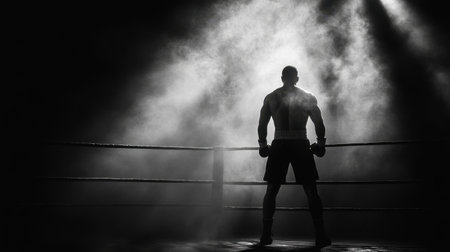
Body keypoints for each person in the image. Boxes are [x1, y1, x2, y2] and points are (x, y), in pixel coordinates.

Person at [257, 66, 331, 248]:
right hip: (300, 144)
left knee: (272, 190)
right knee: (311, 190)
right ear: (296, 78)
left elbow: (262, 124)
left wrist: (262, 145)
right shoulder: (307, 97)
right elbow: (319, 123)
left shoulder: (271, 97)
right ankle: (320, 235)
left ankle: (266, 235)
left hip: (279, 143)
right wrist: (320, 145)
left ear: (282, 77)